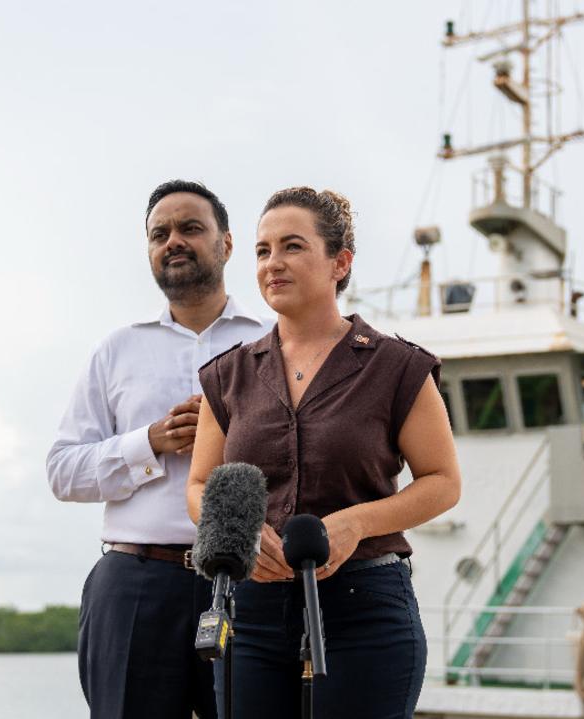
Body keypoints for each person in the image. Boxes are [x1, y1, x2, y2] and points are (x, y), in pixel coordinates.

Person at [186, 187, 461, 718]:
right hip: (253, 617)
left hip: (365, 610)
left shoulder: (397, 367)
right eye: (263, 251)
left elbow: (443, 481)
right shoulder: (228, 375)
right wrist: (236, 533)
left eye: (292, 247)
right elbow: (198, 486)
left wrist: (357, 523)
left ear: (341, 263)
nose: (273, 264)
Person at [47, 180, 271, 718]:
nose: (174, 240)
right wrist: (147, 443)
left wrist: (232, 436)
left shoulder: (274, 342)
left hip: (255, 581)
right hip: (135, 586)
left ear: (227, 244)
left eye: (191, 228)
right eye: (159, 233)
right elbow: (61, 472)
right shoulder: (116, 350)